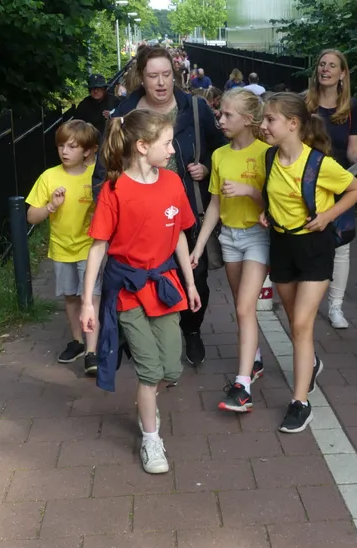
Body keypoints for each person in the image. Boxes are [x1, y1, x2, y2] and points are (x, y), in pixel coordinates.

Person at [81, 108, 202, 474]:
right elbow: (98, 247)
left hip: (165, 287)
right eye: (168, 143)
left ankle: (146, 401)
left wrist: (190, 283)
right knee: (149, 371)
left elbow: (179, 235)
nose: (173, 150)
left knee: (171, 368)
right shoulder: (114, 189)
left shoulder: (173, 183)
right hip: (128, 291)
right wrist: (88, 302)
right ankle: (151, 438)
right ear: (143, 146)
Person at [92, 44, 227, 366]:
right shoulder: (124, 113)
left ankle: (191, 330)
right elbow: (103, 170)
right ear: (142, 77)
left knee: (196, 276)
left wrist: (207, 168)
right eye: (153, 76)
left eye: (167, 74)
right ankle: (143, 339)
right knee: (141, 280)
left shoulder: (195, 108)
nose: (161, 82)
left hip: (186, 211)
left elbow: (221, 150)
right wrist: (112, 211)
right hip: (138, 219)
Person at [258, 93, 357, 432]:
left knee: (302, 325)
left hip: (315, 247)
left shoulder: (319, 164)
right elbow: (274, 194)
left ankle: (300, 403)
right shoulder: (269, 158)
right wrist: (267, 211)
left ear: (293, 124)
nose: (263, 126)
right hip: (282, 245)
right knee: (295, 323)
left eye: (270, 119)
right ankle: (312, 363)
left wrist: (328, 216)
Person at [189, 88, 271, 413]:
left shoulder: (267, 153)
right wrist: (198, 247)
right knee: (242, 306)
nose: (220, 120)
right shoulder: (219, 155)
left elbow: (274, 202)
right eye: (219, 113)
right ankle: (256, 358)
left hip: (258, 236)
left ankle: (243, 385)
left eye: (227, 115)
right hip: (229, 238)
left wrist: (249, 190)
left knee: (244, 308)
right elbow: (214, 204)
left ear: (248, 119)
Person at [25, 119, 101, 376]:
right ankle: (77, 342)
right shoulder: (49, 177)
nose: (65, 151)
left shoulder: (96, 176)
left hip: (90, 248)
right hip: (61, 248)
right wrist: (50, 207)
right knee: (70, 296)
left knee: (91, 297)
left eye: (72, 146)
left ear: (88, 151)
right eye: (61, 146)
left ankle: (92, 351)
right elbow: (31, 216)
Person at [305, 49, 357, 329]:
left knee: (342, 246)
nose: (326, 69)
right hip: (309, 182)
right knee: (307, 240)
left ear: (343, 73)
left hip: (341, 182)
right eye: (322, 64)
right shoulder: (305, 104)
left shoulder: (351, 107)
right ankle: (305, 301)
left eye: (332, 66)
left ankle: (335, 307)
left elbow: (353, 149)